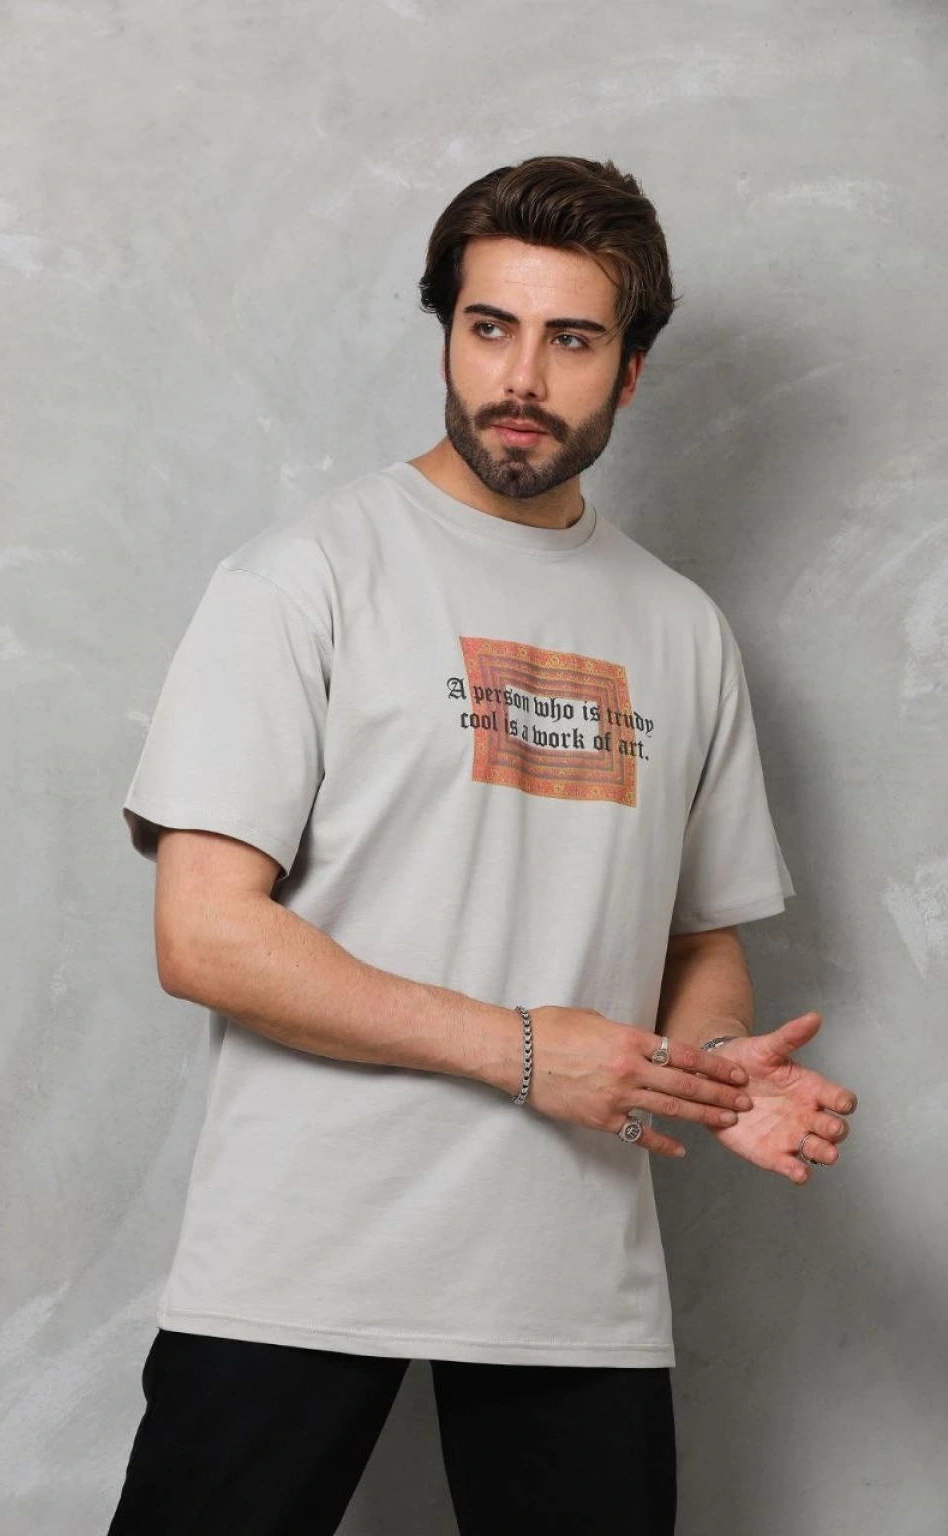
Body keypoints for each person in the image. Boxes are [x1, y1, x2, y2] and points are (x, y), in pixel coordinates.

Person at [107, 154, 858, 1536]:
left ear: (630, 369)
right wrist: (524, 1051)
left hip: (573, 1288)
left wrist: (707, 1068)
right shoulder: (302, 578)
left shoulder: (683, 630)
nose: (520, 376)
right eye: (489, 326)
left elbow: (697, 939)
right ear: (447, 331)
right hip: (300, 1264)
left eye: (571, 339)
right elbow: (204, 934)